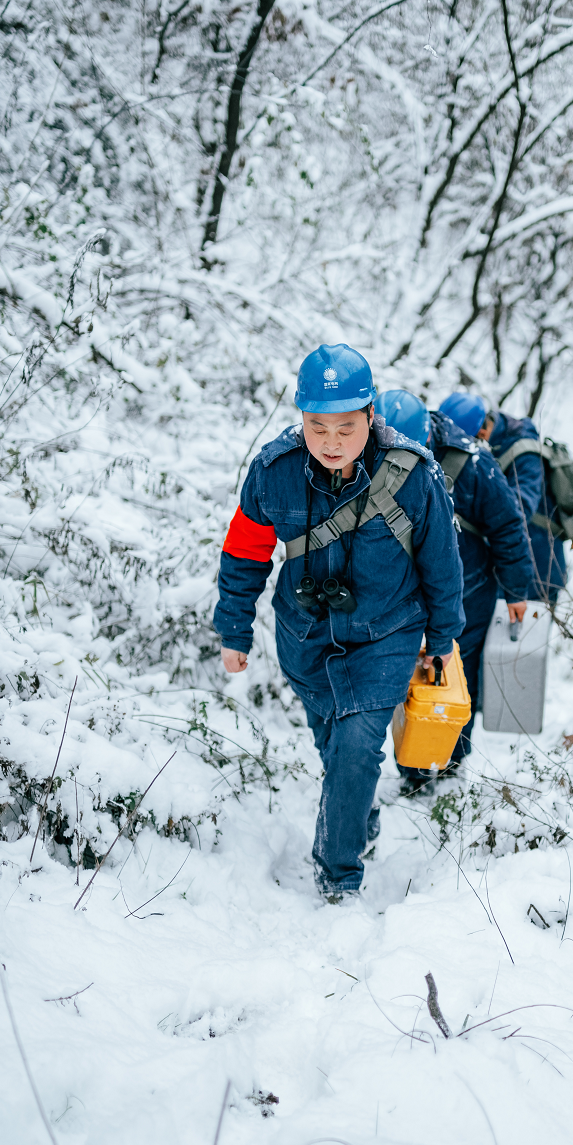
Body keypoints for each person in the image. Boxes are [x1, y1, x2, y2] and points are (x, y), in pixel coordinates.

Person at [214, 345, 464, 899]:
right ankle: (358, 821)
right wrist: (234, 628)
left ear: (371, 416)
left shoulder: (413, 476)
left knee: (357, 746)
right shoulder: (274, 472)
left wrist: (443, 636)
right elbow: (246, 550)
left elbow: (441, 562)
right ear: (301, 418)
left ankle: (337, 877)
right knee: (336, 748)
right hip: (305, 637)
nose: (330, 442)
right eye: (317, 426)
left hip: (387, 635)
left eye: (345, 428)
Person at [374, 390, 534, 784]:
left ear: (427, 436)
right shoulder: (374, 449)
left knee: (455, 678)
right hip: (404, 594)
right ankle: (413, 765)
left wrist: (516, 592)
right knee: (407, 676)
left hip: (469, 590)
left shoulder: (473, 462)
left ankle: (446, 766)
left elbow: (508, 525)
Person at [438, 392, 567, 603]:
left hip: (538, 566)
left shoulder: (526, 456)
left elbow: (518, 512)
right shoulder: (492, 441)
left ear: (481, 432)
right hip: (509, 559)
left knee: (520, 634)